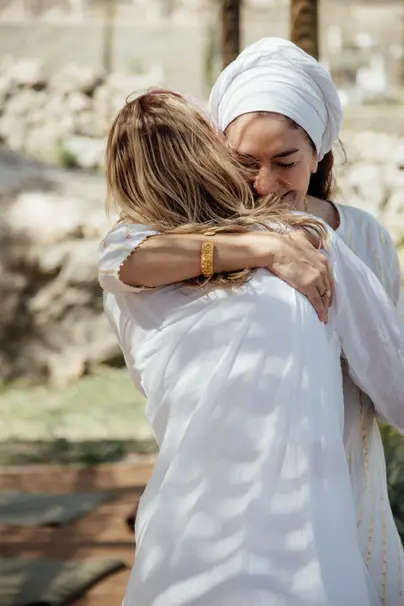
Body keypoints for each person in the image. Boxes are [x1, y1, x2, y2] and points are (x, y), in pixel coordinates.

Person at [99, 38, 404, 606]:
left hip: (339, 481)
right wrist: (265, 248)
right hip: (217, 494)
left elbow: (392, 375)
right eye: (244, 164)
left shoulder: (352, 239)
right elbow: (122, 264)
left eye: (285, 162)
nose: (265, 184)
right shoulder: (169, 248)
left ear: (319, 154)